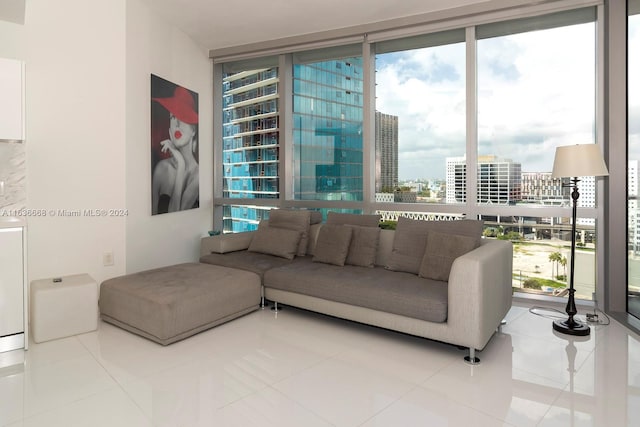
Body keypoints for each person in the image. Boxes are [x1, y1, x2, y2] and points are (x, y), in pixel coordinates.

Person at [151, 86, 199, 214]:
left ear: (193, 130)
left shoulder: (198, 175)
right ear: (169, 131)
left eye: (182, 117)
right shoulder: (161, 168)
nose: (176, 124)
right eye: (172, 117)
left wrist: (181, 164)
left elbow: (176, 213)